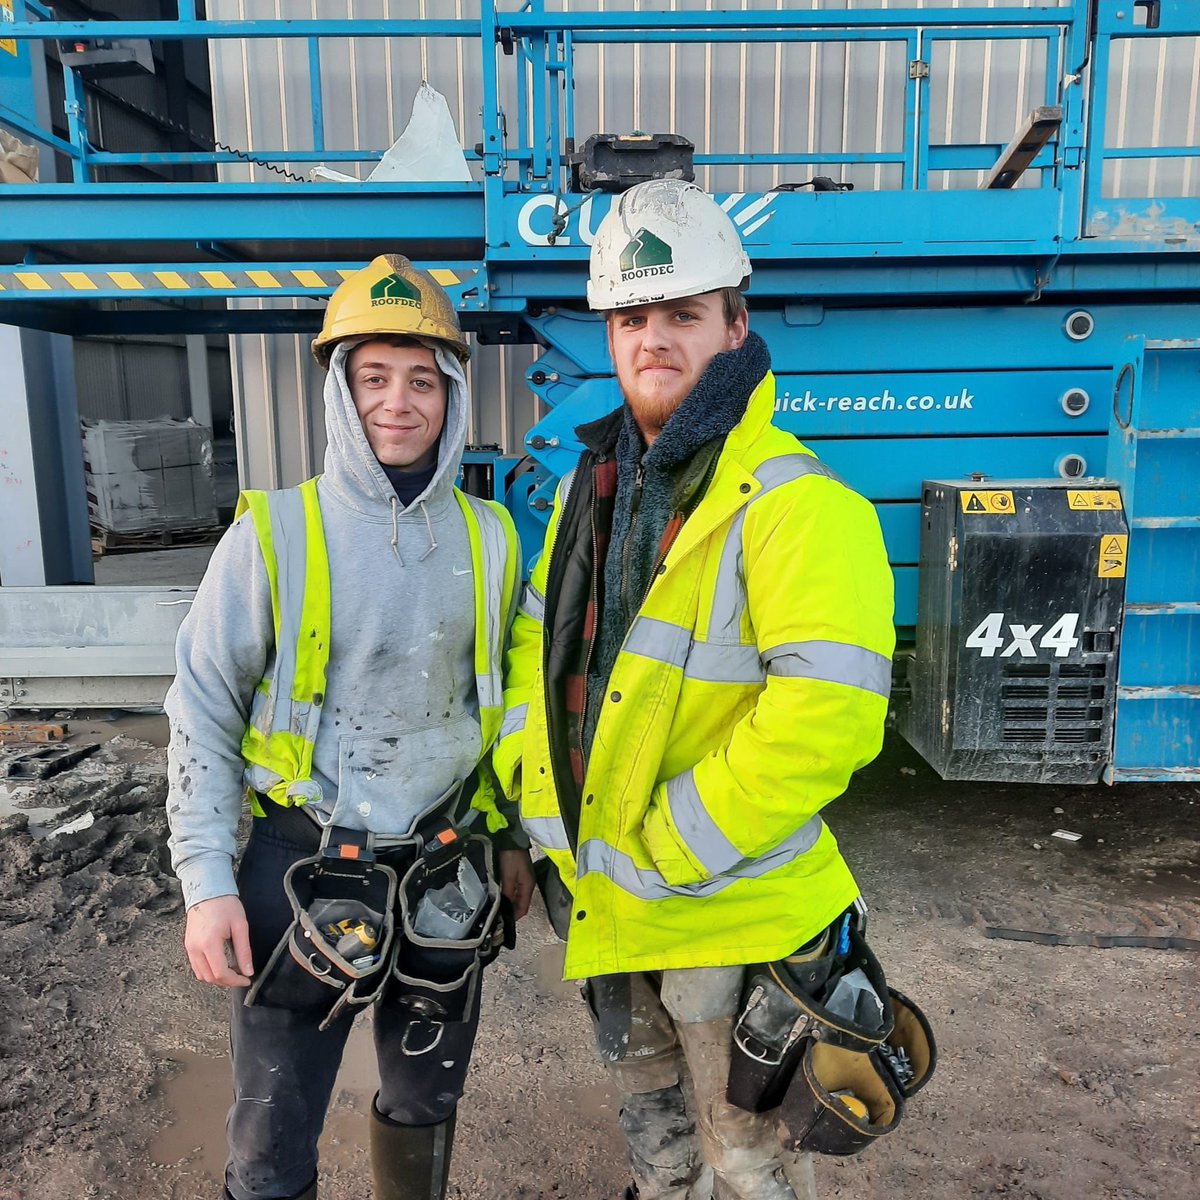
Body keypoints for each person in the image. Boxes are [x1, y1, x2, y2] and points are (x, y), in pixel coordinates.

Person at [493, 180, 895, 1200]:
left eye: (683, 314)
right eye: (633, 317)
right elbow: (536, 666)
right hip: (608, 908)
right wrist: (541, 817)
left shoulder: (799, 504)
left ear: (736, 323)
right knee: (662, 1165)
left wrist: (666, 845)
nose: (653, 339)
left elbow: (828, 719)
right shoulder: (591, 492)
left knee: (747, 1173)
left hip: (727, 917)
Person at [165, 253, 535, 1200]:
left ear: (452, 392)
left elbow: (504, 711)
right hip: (299, 862)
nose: (398, 403)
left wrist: (513, 840)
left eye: (422, 379)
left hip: (446, 863)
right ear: (340, 389)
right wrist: (207, 881)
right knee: (272, 1125)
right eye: (374, 378)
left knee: (424, 1102)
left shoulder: (493, 538)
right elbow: (203, 704)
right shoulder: (274, 535)